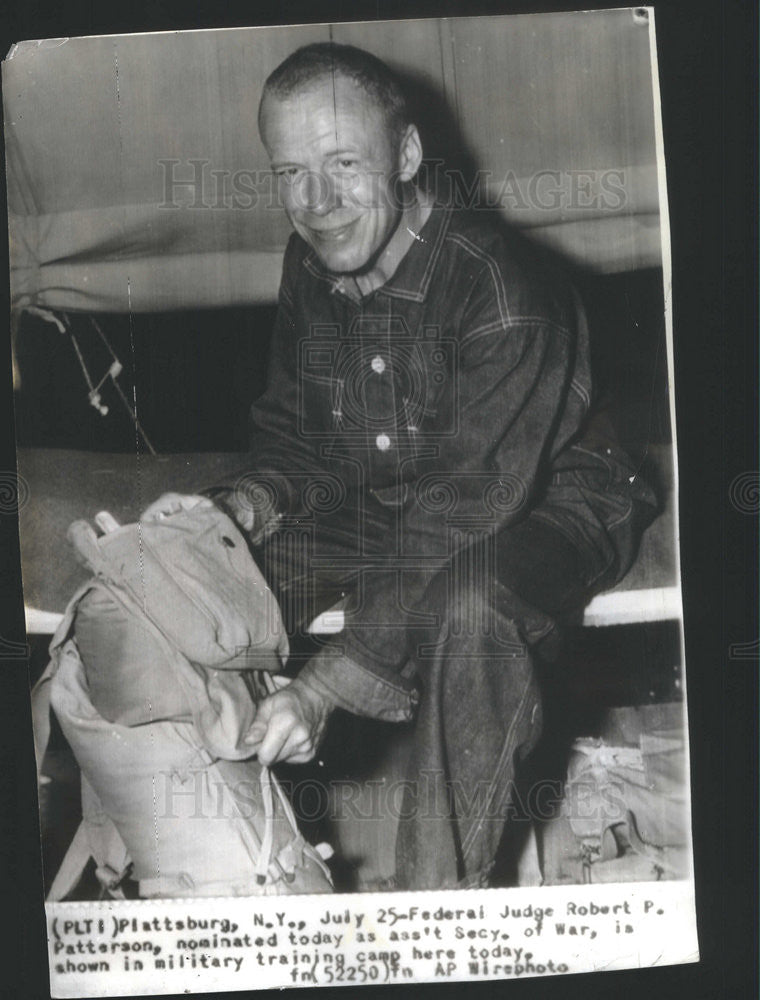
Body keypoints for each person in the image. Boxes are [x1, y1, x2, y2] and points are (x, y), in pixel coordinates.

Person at [143, 42, 657, 891]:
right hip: (399, 490)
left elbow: (461, 510)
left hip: (552, 493)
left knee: (472, 603)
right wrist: (230, 516)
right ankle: (233, 868)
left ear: (408, 156)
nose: (316, 202)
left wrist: (320, 691)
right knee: (191, 571)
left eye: (345, 163)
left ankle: (435, 907)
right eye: (290, 171)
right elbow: (302, 444)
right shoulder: (311, 262)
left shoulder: (502, 291)